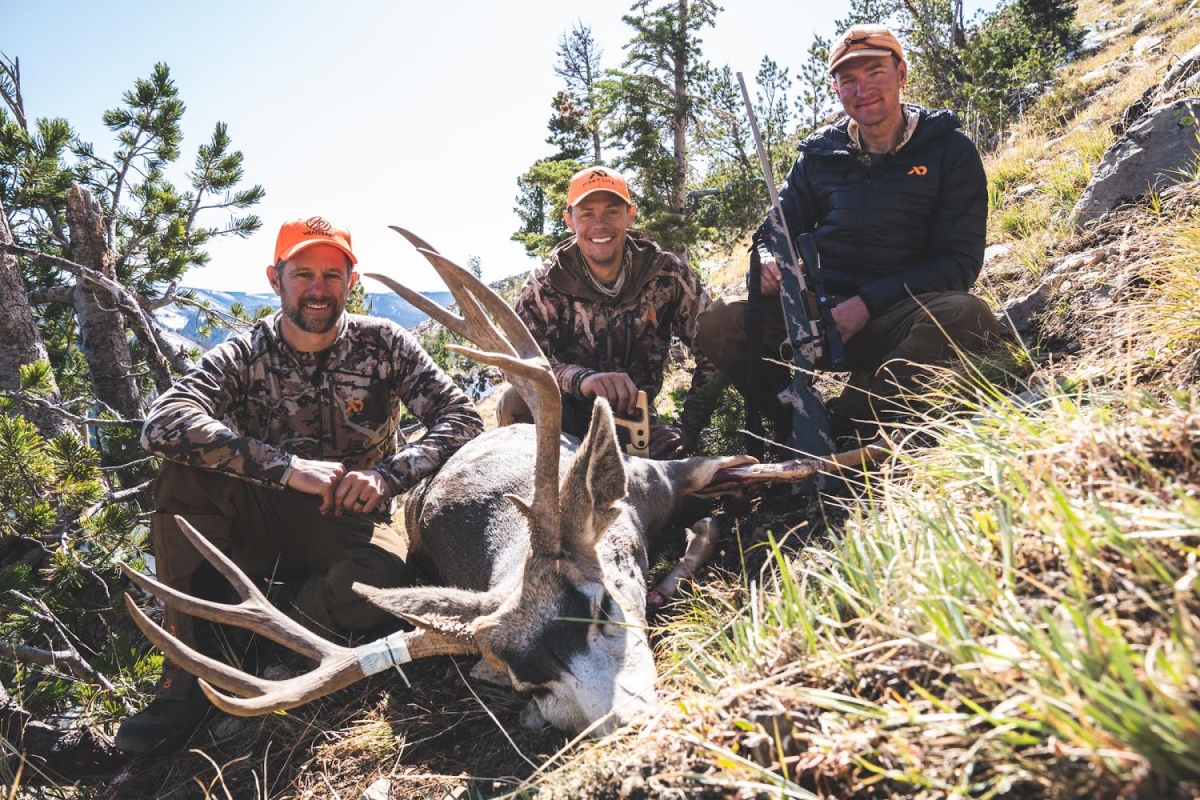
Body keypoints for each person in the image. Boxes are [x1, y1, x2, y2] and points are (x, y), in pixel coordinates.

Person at [114, 216, 484, 755]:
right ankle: (186, 676)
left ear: (351, 282)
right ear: (275, 278)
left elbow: (462, 418)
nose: (318, 289)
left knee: (379, 591)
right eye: (303, 273)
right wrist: (285, 468)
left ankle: (270, 622)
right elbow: (164, 421)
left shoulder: (384, 344)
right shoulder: (246, 351)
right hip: (265, 515)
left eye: (333, 275)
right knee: (183, 473)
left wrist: (386, 475)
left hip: (354, 524)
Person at [696, 24, 998, 450]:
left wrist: (869, 303)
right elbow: (773, 228)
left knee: (967, 314)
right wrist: (766, 257)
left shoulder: (950, 150)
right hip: (817, 314)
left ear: (901, 73)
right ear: (836, 89)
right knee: (721, 321)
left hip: (898, 314)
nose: (863, 89)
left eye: (875, 73)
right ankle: (792, 419)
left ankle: (851, 418)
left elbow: (959, 263)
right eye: (849, 80)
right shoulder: (820, 155)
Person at [497, 166, 720, 459]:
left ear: (630, 215)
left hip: (634, 424)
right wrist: (581, 379)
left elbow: (714, 348)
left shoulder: (666, 273)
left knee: (681, 496)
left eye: (612, 211)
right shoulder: (545, 284)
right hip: (565, 423)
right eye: (587, 213)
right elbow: (515, 363)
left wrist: (687, 427)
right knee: (517, 402)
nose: (599, 224)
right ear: (569, 220)